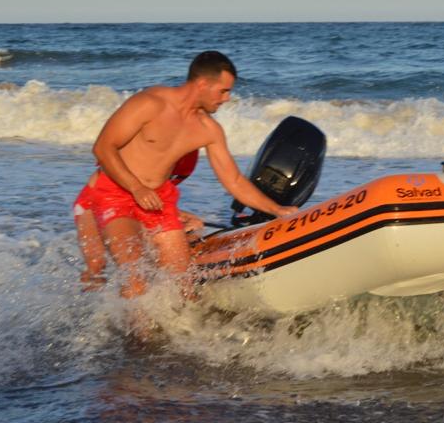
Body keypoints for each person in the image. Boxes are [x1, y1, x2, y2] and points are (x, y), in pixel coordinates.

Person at [89, 51, 298, 306]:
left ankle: (181, 340)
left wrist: (277, 209)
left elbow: (233, 180)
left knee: (184, 284)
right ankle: (132, 343)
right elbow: (103, 147)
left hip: (159, 201)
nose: (227, 98)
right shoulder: (150, 104)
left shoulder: (207, 129)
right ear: (202, 84)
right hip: (116, 194)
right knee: (135, 277)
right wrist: (136, 188)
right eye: (223, 91)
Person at [72, 150, 202, 290]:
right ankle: (86, 307)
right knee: (96, 265)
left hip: (137, 202)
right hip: (96, 199)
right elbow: (109, 167)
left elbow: (158, 189)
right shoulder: (144, 139)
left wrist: (175, 212)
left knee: (147, 264)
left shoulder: (190, 151)